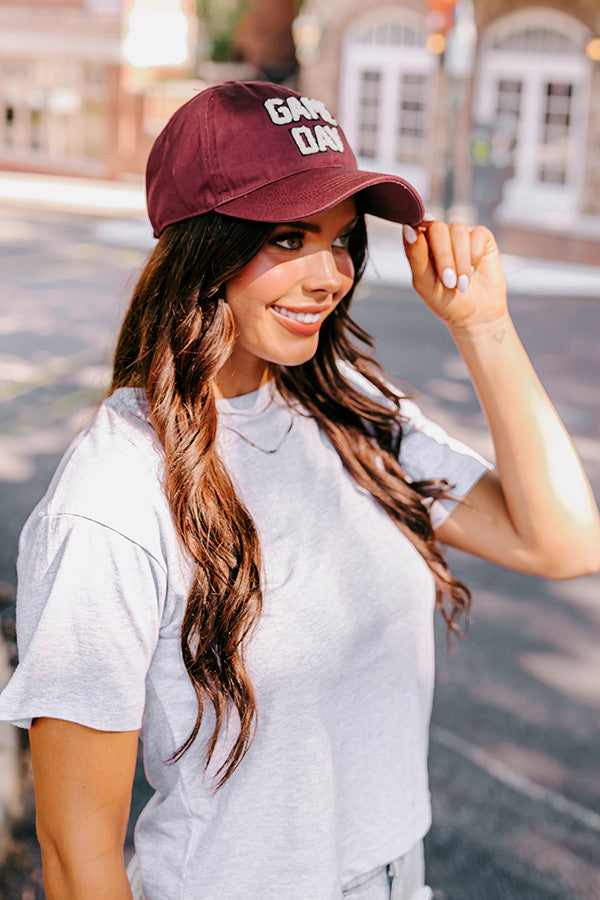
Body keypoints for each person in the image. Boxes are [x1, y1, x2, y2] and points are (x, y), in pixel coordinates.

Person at [0, 80, 598, 900]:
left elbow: (562, 542)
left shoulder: (348, 408)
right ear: (201, 248)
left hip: (397, 879)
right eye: (288, 238)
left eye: (343, 239)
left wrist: (483, 325)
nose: (330, 277)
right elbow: (77, 858)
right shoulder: (112, 497)